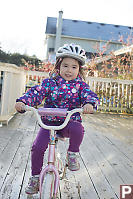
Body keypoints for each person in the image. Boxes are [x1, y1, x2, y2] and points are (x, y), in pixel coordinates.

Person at [15, 43, 99, 195]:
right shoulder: (50, 83)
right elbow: (36, 92)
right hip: (48, 123)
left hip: (68, 123)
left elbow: (90, 95)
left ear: (79, 69)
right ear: (58, 66)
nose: (69, 70)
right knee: (37, 147)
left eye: (74, 67)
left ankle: (72, 153)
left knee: (78, 129)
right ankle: (34, 177)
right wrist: (23, 102)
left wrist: (89, 104)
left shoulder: (81, 85)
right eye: (65, 65)